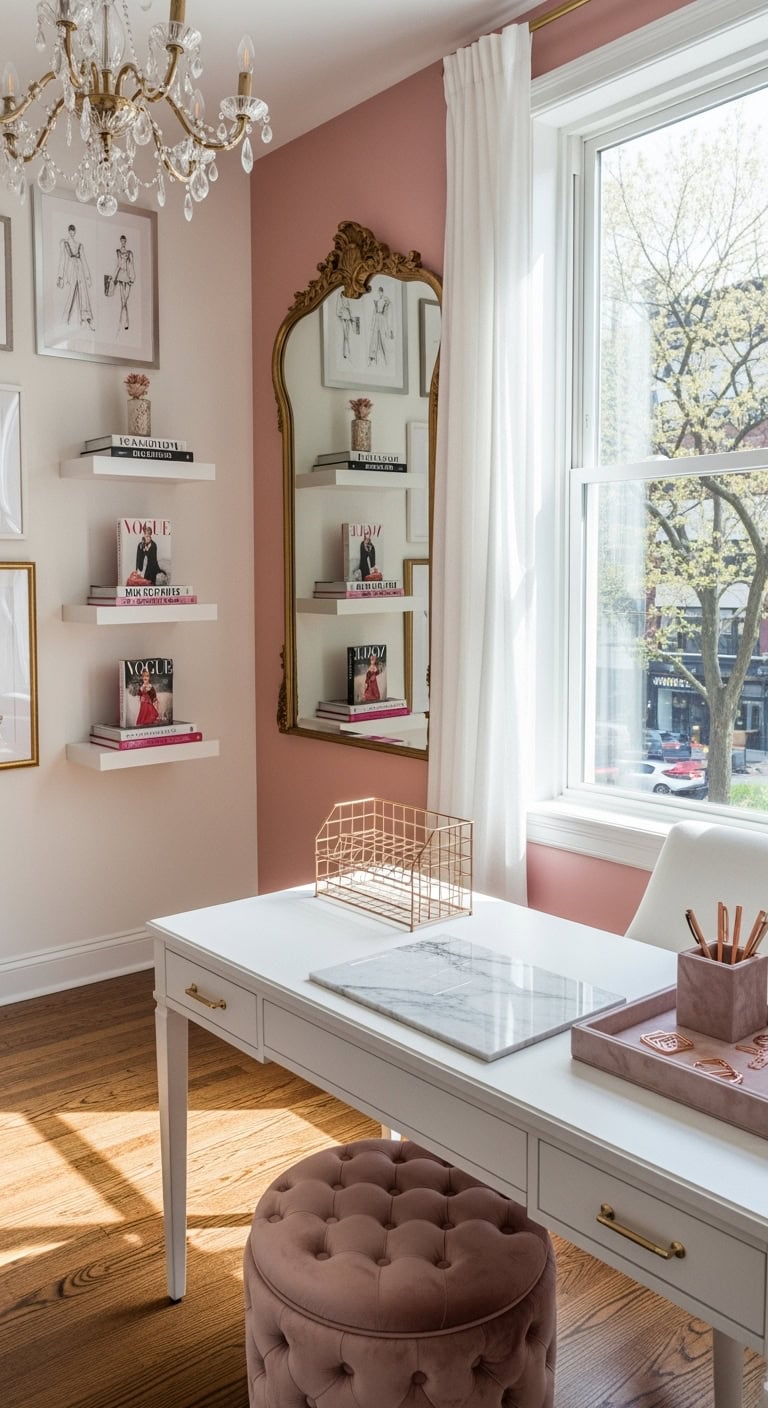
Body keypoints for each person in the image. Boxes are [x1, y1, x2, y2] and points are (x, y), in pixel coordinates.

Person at [57, 224, 94, 329]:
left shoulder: (79, 245)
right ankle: (65, 319)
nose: (72, 232)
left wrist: (88, 277)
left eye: (73, 231)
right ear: (69, 231)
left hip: (80, 269)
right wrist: (61, 276)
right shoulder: (65, 243)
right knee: (71, 293)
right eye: (71, 230)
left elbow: (84, 261)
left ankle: (85, 317)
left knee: (83, 292)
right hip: (71, 269)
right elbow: (62, 259)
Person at [112, 234, 135, 332]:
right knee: (123, 300)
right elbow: (117, 265)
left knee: (125, 299)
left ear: (126, 242)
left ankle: (122, 320)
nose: (123, 243)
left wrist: (132, 278)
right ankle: (126, 322)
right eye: (122, 241)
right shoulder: (118, 252)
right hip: (121, 276)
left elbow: (131, 265)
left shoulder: (129, 253)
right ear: (120, 241)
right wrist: (113, 277)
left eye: (124, 241)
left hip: (128, 276)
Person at [368, 284, 393, 365]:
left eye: (380, 292)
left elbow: (388, 306)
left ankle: (385, 357)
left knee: (382, 336)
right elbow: (374, 312)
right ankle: (372, 356)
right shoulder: (378, 300)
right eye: (378, 292)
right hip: (377, 318)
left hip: (382, 318)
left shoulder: (385, 299)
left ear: (382, 292)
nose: (379, 293)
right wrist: (372, 324)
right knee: (374, 336)